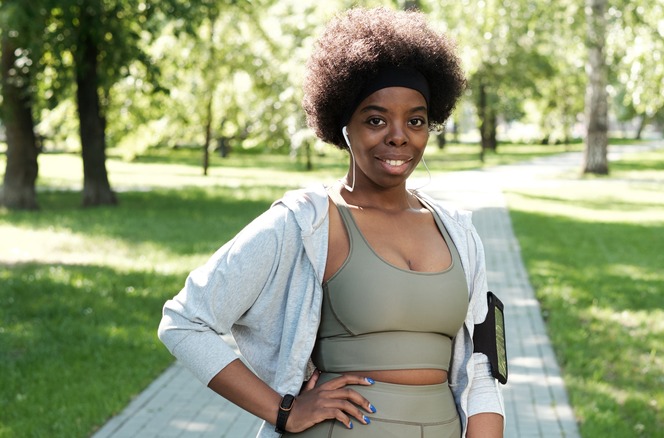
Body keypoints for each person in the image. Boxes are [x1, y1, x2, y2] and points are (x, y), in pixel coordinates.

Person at [158, 6, 504, 438]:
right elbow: (185, 320)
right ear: (344, 125)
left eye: (415, 121)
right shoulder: (308, 223)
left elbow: (482, 366)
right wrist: (283, 411)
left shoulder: (459, 232)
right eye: (376, 119)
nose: (399, 136)